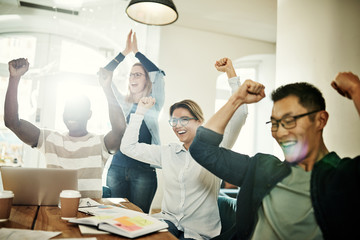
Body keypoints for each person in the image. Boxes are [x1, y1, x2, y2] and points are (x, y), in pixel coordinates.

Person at [189, 72, 360, 240]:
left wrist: (355, 89)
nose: (280, 132)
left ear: (320, 120)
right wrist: (237, 99)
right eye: (275, 123)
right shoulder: (261, 168)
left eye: (289, 121)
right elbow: (202, 149)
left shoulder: (344, 177)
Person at [120, 58, 263, 240]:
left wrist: (230, 74)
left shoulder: (215, 151)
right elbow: (128, 147)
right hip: (167, 222)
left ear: (199, 121)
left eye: (185, 119)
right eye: (174, 121)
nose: (178, 125)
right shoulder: (168, 152)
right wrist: (140, 112)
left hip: (198, 233)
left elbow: (240, 115)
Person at [4, 58, 126, 199]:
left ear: (89, 114)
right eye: (68, 110)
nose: (71, 115)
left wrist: (107, 88)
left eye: (77, 110)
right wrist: (14, 78)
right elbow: (12, 122)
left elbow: (120, 129)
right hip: (54, 211)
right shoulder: (50, 139)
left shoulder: (100, 143)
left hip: (89, 216)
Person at [102, 30, 166, 213]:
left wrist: (136, 52)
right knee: (114, 216)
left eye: (138, 74)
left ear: (147, 80)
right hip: (116, 168)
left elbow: (158, 74)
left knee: (138, 220)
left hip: (143, 172)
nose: (133, 78)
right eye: (131, 75)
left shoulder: (153, 103)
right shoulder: (122, 103)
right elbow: (104, 74)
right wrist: (124, 53)